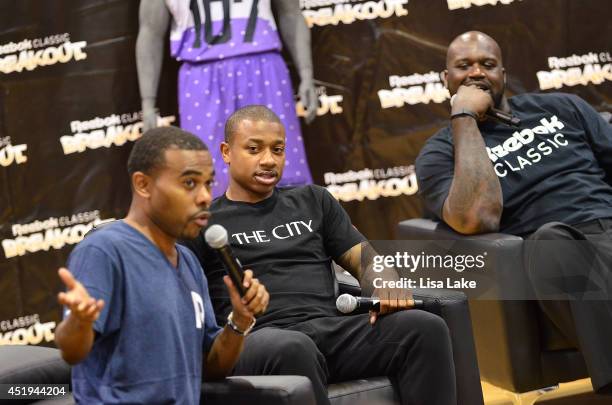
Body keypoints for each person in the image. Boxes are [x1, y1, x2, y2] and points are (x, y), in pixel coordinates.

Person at [183, 105, 457, 405]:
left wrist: (385, 282)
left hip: (328, 330)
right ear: (226, 152)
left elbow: (365, 259)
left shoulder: (314, 200)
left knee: (424, 328)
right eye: (254, 149)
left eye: (278, 150)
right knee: (294, 347)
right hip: (259, 339)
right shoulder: (205, 222)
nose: (268, 160)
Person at [415, 31, 612, 394]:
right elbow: (476, 218)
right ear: (447, 80)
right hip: (550, 252)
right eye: (464, 66)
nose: (476, 73)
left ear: (503, 74)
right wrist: (464, 118)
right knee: (553, 242)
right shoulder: (439, 154)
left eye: (487, 65)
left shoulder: (563, 108)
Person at [54, 126, 269, 404]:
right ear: (143, 184)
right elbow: (72, 352)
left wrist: (239, 321)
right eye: (190, 183)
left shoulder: (189, 261)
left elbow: (211, 366)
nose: (204, 196)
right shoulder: (105, 250)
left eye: (208, 183)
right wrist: (79, 323)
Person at [136, 0, 316, 197]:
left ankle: (290, 224)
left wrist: (307, 75)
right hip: (201, 77)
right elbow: (150, 34)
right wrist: (148, 103)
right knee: (209, 175)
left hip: (263, 69)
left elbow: (291, 14)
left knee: (281, 170)